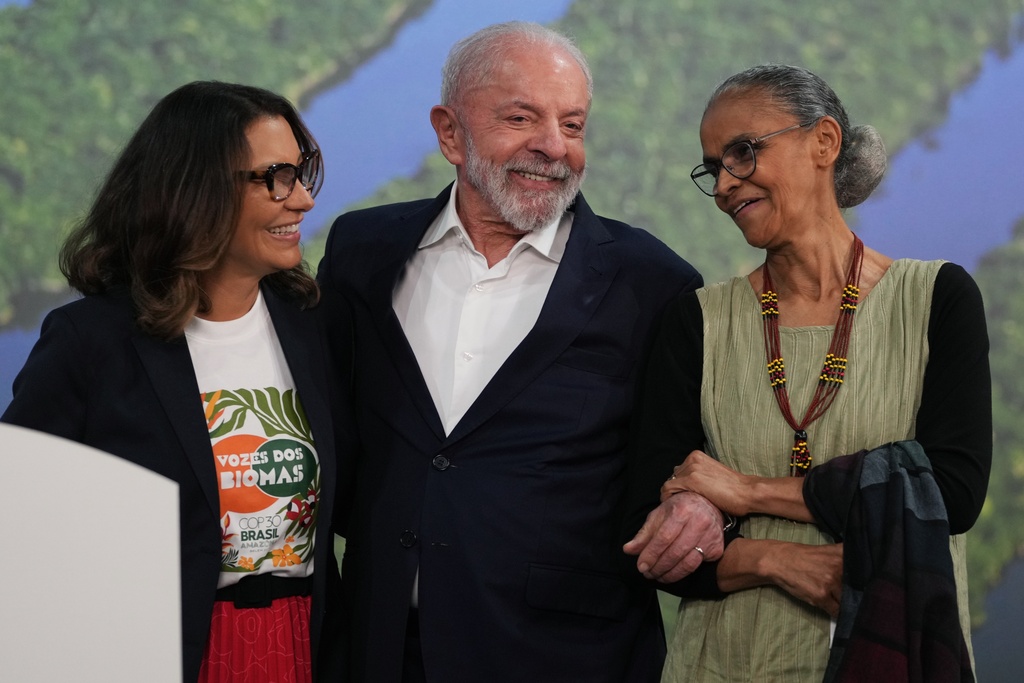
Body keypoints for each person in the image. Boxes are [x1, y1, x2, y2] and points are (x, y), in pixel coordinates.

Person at [316, 21, 722, 683]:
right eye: (521, 117)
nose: (552, 147)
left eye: (573, 124)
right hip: (378, 649)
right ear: (450, 132)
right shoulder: (363, 250)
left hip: (563, 657)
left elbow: (694, 458)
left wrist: (700, 505)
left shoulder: (654, 284)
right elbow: (331, 434)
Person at [621, 64, 991, 681]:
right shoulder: (698, 320)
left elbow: (951, 493)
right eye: (714, 168)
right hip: (724, 663)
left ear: (824, 142)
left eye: (743, 153)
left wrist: (746, 493)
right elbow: (646, 530)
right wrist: (775, 560)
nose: (724, 186)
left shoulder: (936, 299)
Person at [2, 81, 348, 683]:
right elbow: (22, 527)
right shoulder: (92, 342)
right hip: (152, 655)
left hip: (304, 647)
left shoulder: (314, 328)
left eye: (301, 174)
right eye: (277, 177)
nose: (303, 201)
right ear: (199, 191)